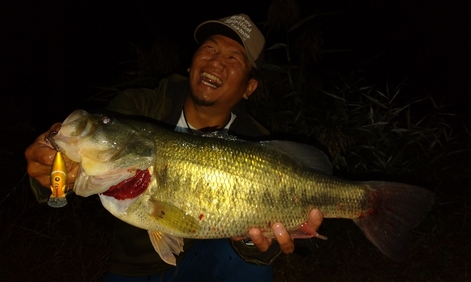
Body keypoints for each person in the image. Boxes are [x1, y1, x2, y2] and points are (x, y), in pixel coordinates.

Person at [25, 14, 325, 281]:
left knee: (249, 268)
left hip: (206, 261)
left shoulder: (257, 142)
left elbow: (262, 250)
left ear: (249, 87)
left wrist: (252, 242)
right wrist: (51, 172)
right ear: (192, 61)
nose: (216, 61)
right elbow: (68, 171)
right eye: (209, 48)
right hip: (131, 268)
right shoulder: (138, 107)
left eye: (234, 58)